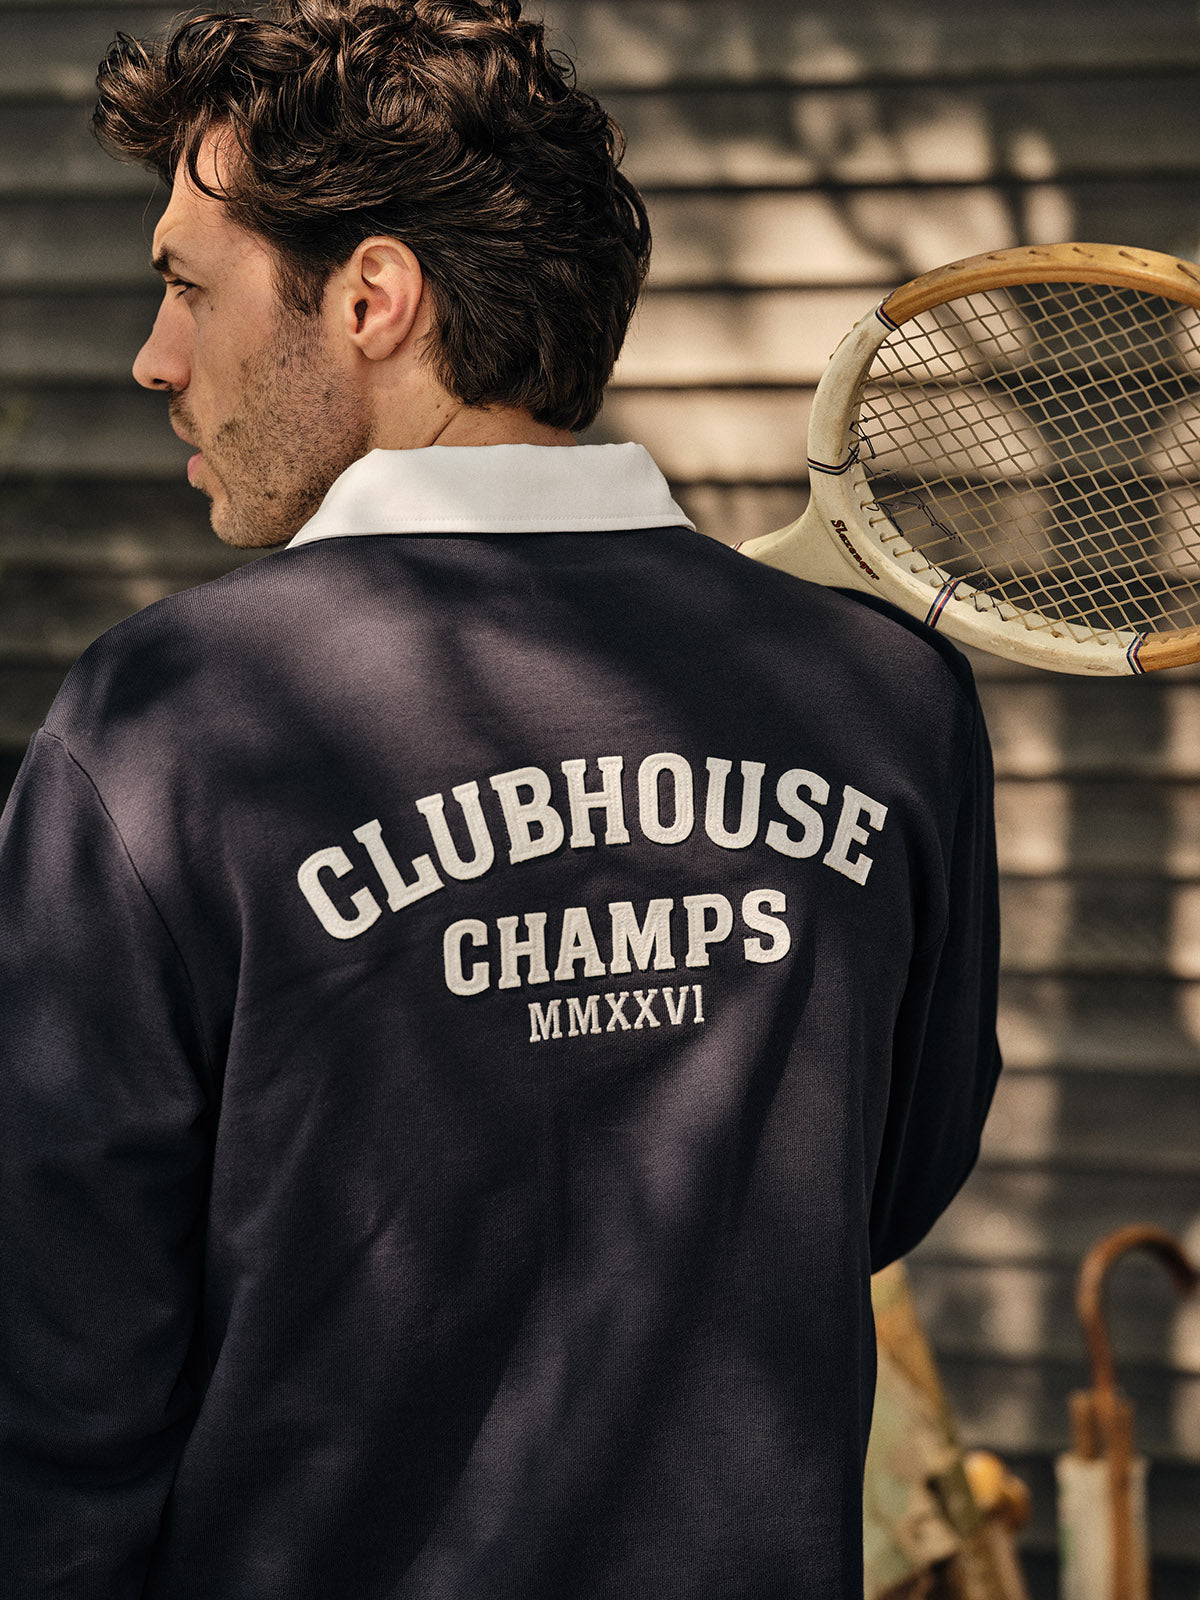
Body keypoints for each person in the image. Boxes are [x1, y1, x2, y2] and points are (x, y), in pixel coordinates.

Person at [0, 2, 1002, 1596]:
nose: (155, 356)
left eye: (189, 285)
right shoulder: (887, 697)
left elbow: (55, 1385)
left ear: (372, 299)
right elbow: (884, 1184)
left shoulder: (167, 724)